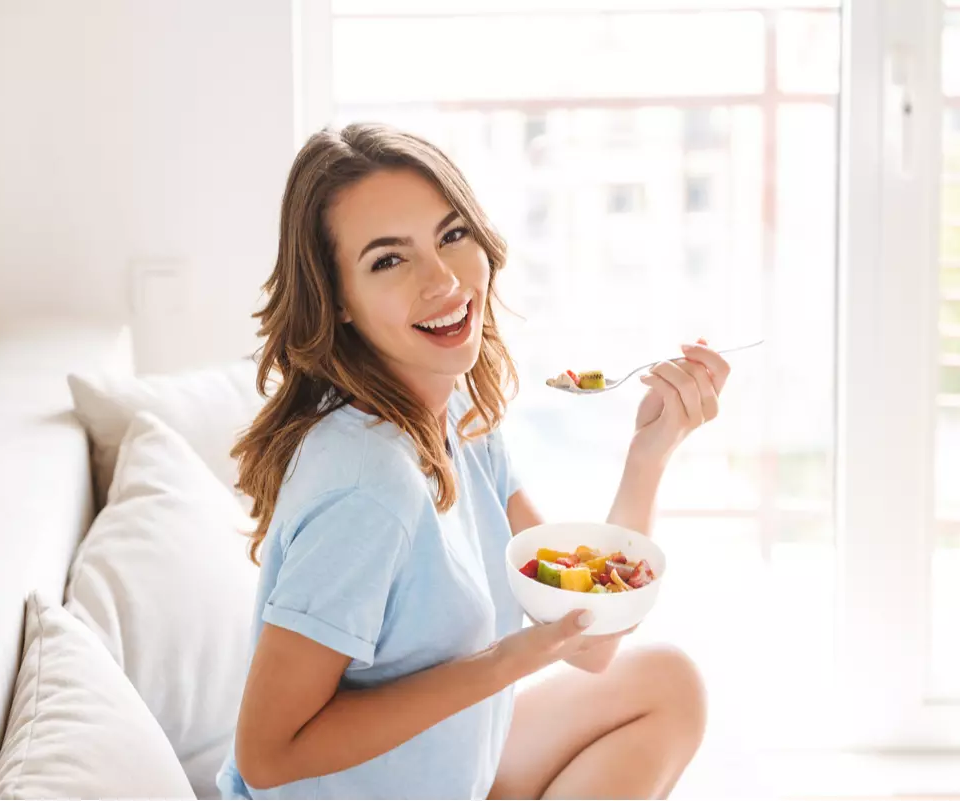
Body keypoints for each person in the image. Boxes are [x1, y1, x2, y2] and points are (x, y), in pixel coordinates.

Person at [218, 122, 731, 800]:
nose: (443, 279)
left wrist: (649, 455)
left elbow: (589, 639)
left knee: (667, 684)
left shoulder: (456, 412)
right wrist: (503, 663)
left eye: (452, 234)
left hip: (449, 774)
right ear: (337, 300)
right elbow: (266, 754)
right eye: (388, 260)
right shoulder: (369, 485)